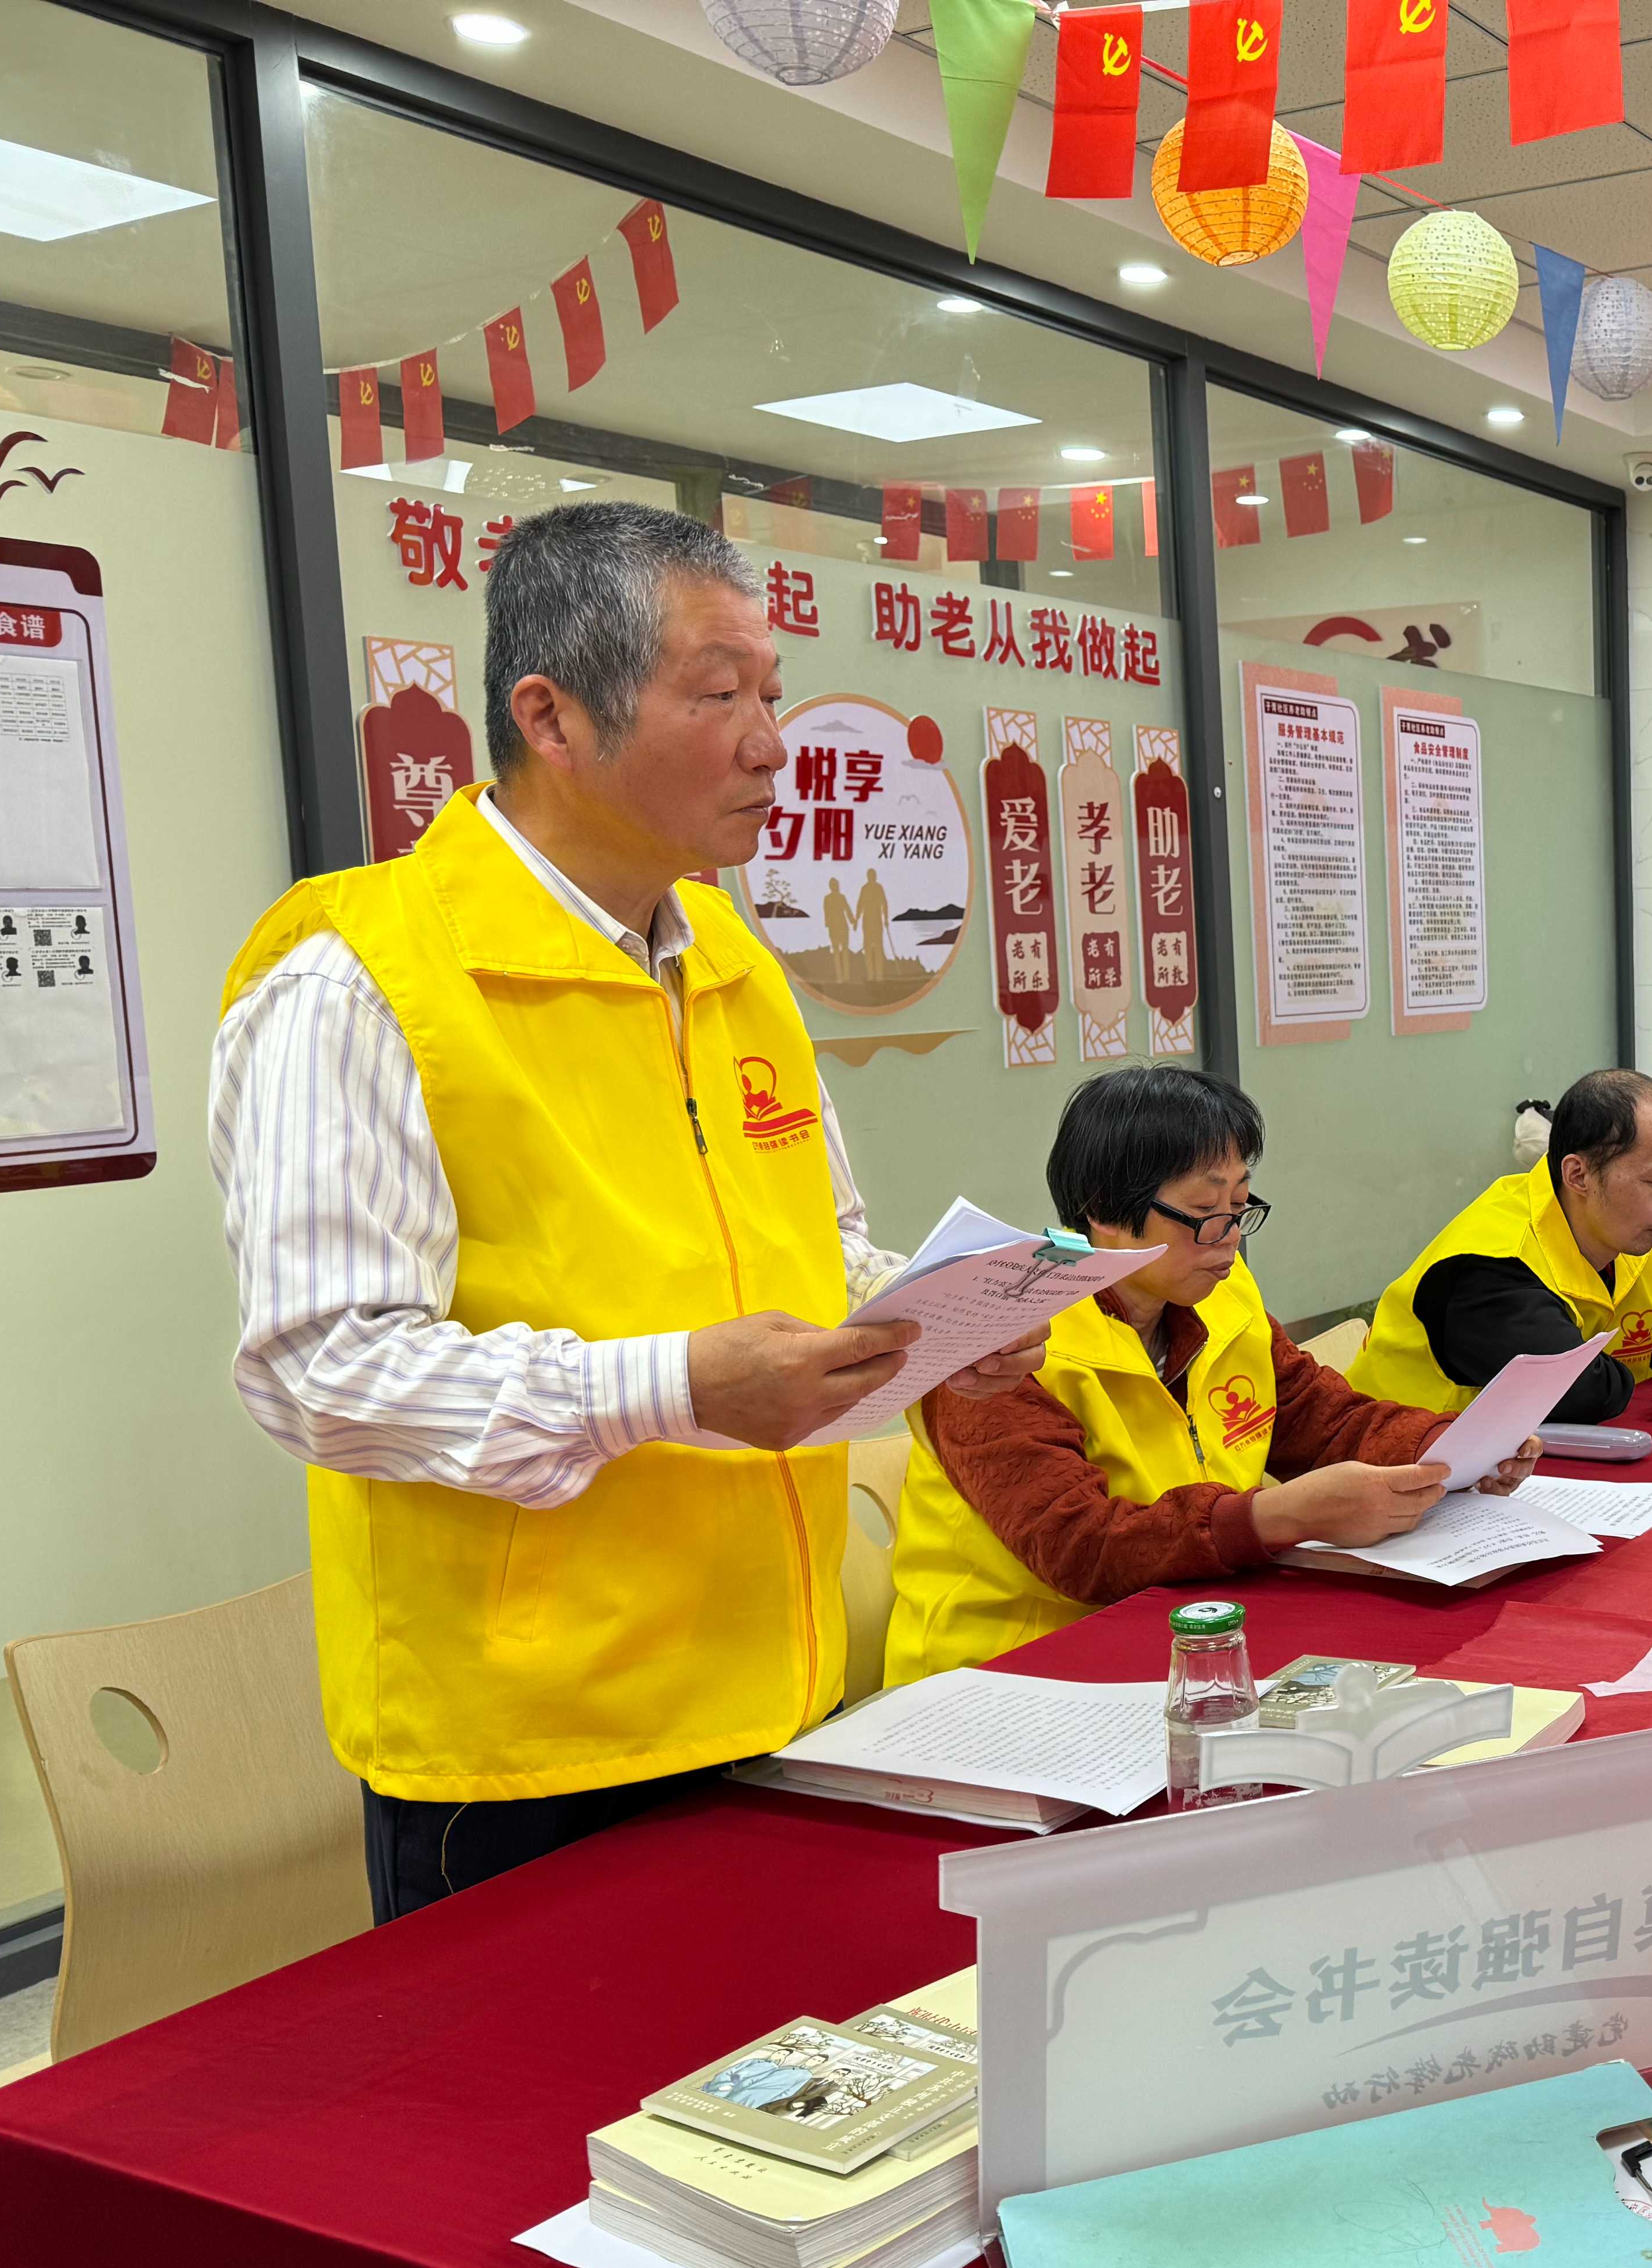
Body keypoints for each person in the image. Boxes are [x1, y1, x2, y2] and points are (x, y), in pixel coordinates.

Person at [208, 501, 1046, 1922]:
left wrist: (942, 1320)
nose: (773, 744)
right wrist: (675, 1388)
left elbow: (815, 1244)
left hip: (781, 1686)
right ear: (552, 717)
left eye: (772, 692)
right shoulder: (362, 980)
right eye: (718, 696)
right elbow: (322, 1369)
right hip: (534, 1754)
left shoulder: (728, 956)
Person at [883, 1069, 1536, 1683]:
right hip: (1016, 1672)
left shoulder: (1220, 1296)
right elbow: (1081, 1547)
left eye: (1242, 1205)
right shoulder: (998, 1344)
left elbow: (1320, 1418)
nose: (1230, 1237)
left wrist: (1454, 1447)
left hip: (1194, 1630)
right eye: (1206, 1211)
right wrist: (1279, 1516)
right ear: (1105, 1210)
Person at [1351, 1067, 1652, 1420]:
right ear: (1578, 1175)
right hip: (1394, 1478)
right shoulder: (1491, 1262)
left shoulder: (1621, 1231)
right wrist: (1629, 1363)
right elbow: (1578, 1392)